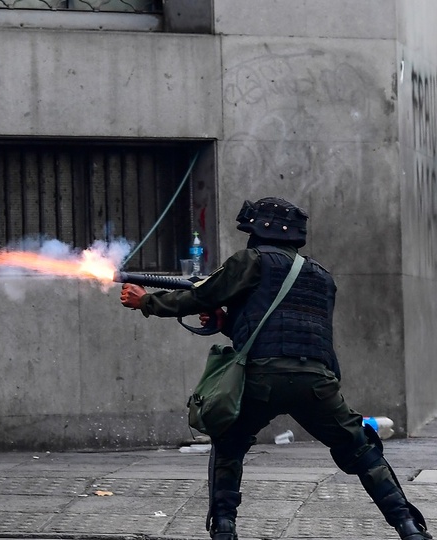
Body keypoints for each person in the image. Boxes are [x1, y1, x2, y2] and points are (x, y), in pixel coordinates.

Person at [119, 197, 431, 540]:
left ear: (258, 230)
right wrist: (227, 321)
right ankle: (408, 526)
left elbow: (200, 296)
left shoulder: (249, 260)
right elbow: (284, 326)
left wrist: (145, 301)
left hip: (260, 377)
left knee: (228, 444)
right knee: (361, 448)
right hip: (316, 380)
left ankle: (224, 529)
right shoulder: (321, 277)